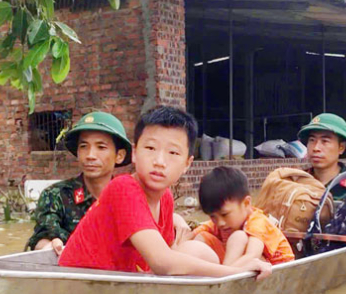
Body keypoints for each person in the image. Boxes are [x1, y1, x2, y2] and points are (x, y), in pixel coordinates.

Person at [58, 106, 272, 279]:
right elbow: (162, 262)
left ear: (187, 164)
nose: (159, 162)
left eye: (173, 153)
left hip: (122, 285)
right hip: (81, 283)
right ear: (134, 153)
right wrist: (234, 272)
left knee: (200, 252)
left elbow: (169, 254)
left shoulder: (166, 198)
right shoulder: (123, 188)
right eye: (150, 149)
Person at [26, 111, 131, 253]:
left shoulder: (129, 198)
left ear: (119, 155)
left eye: (101, 147)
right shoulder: (56, 195)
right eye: (83, 146)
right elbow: (42, 237)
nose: (90, 155)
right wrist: (47, 247)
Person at [191, 166, 295, 266]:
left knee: (238, 237)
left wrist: (225, 273)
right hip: (239, 266)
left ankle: (224, 277)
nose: (220, 223)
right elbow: (194, 234)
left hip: (273, 269)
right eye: (213, 217)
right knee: (202, 237)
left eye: (225, 214)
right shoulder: (221, 223)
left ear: (246, 203)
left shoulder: (257, 222)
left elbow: (253, 255)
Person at [298, 112, 346, 188]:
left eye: (325, 141)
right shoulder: (295, 183)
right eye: (312, 140)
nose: (316, 148)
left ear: (341, 147)